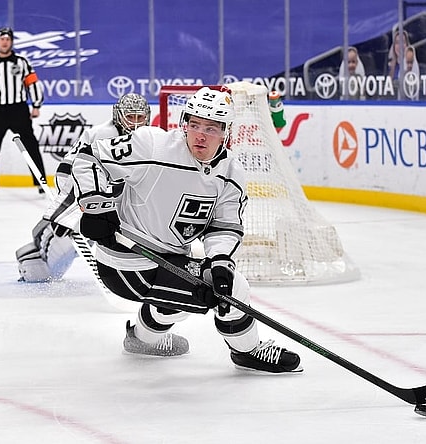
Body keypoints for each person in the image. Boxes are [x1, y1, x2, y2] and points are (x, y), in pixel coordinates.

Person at [70, 87, 302, 374]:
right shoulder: (152, 145)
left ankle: (143, 340)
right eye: (194, 124)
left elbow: (224, 225)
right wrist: (96, 205)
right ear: (184, 123)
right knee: (233, 287)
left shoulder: (230, 174)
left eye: (211, 127)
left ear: (225, 132)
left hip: (167, 262)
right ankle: (248, 351)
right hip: (125, 261)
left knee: (201, 289)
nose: (200, 134)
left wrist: (218, 261)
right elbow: (89, 156)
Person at [16, 93, 151, 282]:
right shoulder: (103, 135)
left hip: (110, 194)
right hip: (78, 186)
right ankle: (33, 258)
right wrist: (71, 207)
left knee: (95, 235)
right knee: (66, 239)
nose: (135, 123)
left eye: (140, 117)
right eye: (130, 117)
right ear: (118, 115)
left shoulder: (146, 138)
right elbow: (70, 170)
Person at [0, 26, 45, 199]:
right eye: (2, 39)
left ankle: (41, 182)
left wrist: (36, 105)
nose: (5, 42)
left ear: (12, 41)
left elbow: (33, 84)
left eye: (8, 39)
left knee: (30, 146)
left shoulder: (22, 62)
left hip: (18, 110)